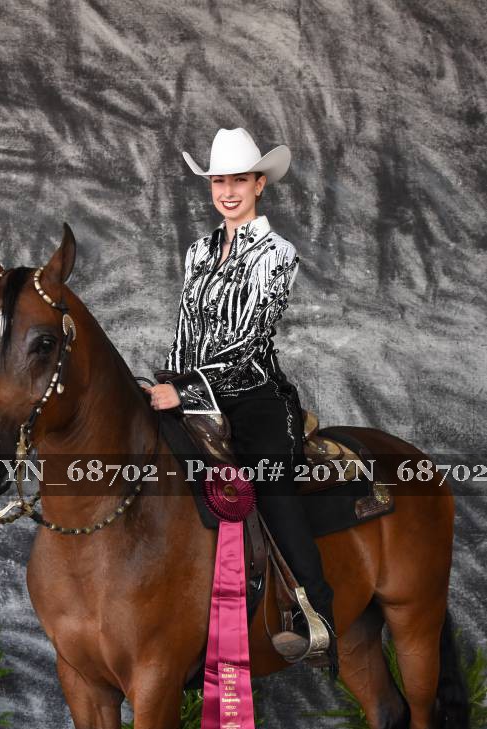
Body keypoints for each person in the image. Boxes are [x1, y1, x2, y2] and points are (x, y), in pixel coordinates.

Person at [142, 127, 337, 670]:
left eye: (238, 181)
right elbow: (186, 325)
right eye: (218, 182)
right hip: (190, 391)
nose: (228, 192)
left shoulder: (278, 253)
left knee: (270, 486)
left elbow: (249, 339)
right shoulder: (198, 251)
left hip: (253, 397)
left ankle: (315, 615)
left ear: (259, 185)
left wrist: (186, 389)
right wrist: (169, 380)